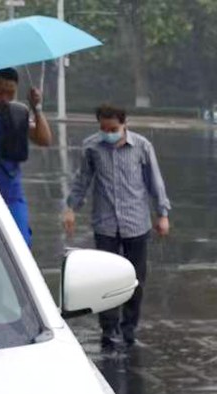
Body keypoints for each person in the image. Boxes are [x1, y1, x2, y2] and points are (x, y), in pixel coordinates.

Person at [64, 104, 172, 350]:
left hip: (136, 224)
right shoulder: (92, 147)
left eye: (113, 128)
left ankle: (129, 327)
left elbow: (155, 181)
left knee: (135, 280)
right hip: (105, 225)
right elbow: (83, 180)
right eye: (103, 128)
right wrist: (71, 208)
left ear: (125, 124)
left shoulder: (142, 147)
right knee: (106, 281)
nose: (108, 133)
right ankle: (109, 329)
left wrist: (162, 213)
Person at [0, 67, 52, 246]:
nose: (5, 98)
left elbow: (44, 139)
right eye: (1, 92)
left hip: (11, 195)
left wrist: (36, 108)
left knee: (20, 244)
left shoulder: (17, 113)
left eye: (10, 93)